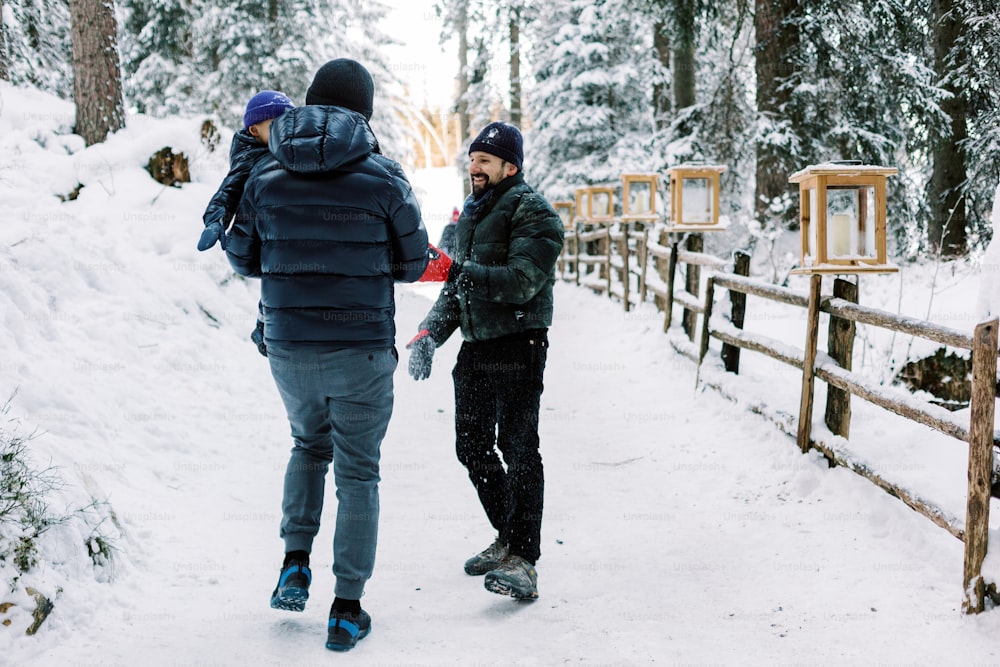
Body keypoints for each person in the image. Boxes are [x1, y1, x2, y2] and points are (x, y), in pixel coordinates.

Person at [224, 58, 428, 651]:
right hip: (361, 347)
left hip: (287, 346)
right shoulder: (383, 177)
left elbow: (241, 258)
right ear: (363, 111)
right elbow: (414, 262)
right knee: (358, 474)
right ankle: (345, 611)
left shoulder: (265, 175)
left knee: (307, 447)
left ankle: (293, 564)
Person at [406, 121, 564, 601]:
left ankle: (525, 560)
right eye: (472, 159)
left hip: (519, 345)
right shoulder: (473, 214)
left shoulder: (535, 213)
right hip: (476, 348)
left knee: (518, 448)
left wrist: (455, 268)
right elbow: (458, 288)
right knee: (470, 447)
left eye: (485, 161)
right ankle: (507, 539)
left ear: (509, 166)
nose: (474, 167)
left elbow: (520, 281)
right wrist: (430, 333)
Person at [198, 90, 295, 355]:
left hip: (283, 224)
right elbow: (227, 191)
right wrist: (216, 220)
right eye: (275, 125)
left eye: (290, 121)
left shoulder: (286, 148)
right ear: (254, 130)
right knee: (276, 276)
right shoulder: (249, 156)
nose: (285, 129)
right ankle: (264, 325)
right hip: (259, 228)